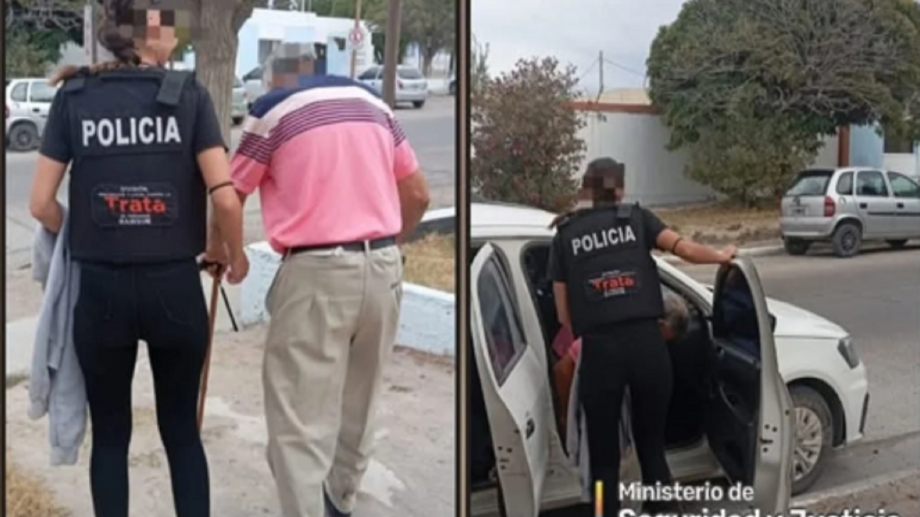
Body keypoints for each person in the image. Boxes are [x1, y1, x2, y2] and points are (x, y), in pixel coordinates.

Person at [28, 2, 247, 516]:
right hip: (174, 287)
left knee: (110, 438)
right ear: (149, 30)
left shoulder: (74, 96)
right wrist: (229, 254)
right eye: (171, 23)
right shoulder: (189, 96)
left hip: (100, 289)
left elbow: (39, 204)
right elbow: (225, 198)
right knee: (182, 434)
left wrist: (81, 233)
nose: (179, 34)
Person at [220, 44, 431, 517]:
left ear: (275, 77)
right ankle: (341, 501)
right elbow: (418, 194)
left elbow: (230, 197)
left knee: (297, 418)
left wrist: (229, 255)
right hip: (383, 266)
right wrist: (387, 245)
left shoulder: (272, 111)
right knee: (361, 401)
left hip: (316, 271)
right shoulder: (375, 106)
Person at [547, 157, 737, 515]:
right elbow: (685, 249)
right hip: (647, 350)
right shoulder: (637, 219)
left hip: (600, 355)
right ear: (619, 190)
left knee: (603, 463)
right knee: (652, 450)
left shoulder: (566, 235)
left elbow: (563, 316)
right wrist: (721, 256)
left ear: (588, 189)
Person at [552, 290, 691, 436]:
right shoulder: (617, 329)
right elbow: (562, 371)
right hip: (562, 373)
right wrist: (565, 418)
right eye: (660, 337)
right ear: (657, 323)